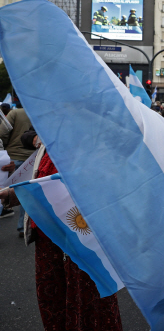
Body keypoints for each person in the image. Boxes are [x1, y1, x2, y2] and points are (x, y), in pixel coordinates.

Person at [1, 132, 123, 331]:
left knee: (87, 309)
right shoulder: (49, 135)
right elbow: (41, 178)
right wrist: (14, 194)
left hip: (80, 238)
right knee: (55, 304)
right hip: (47, 236)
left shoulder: (91, 137)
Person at [0, 97, 35, 237]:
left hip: (12, 155)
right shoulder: (37, 113)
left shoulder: (14, 113)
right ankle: (24, 226)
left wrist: (7, 148)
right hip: (31, 159)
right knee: (26, 192)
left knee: (8, 191)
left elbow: (2, 133)